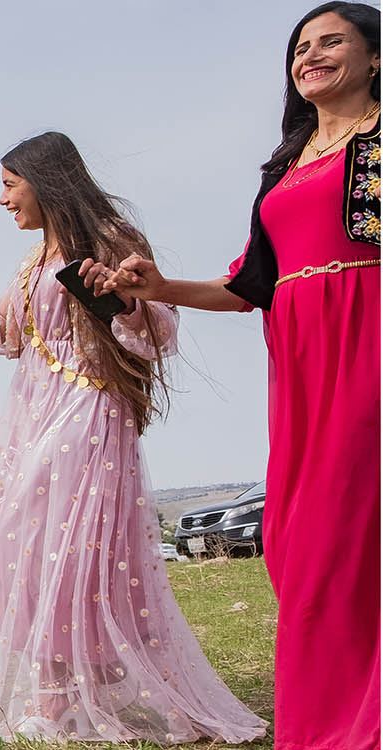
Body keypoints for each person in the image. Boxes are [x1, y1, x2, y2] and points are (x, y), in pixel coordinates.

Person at [0, 132, 265, 743]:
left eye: (10, 185)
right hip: (31, 410)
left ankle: (62, 695)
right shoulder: (33, 261)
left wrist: (122, 302)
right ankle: (65, 683)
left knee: (65, 549)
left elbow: (159, 329)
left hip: (90, 405)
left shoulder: (110, 241)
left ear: (46, 182)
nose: (3, 200)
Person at [96, 5, 380, 747]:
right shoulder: (285, 164)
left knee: (351, 527)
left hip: (368, 333)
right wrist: (161, 287)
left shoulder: (380, 141)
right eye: (300, 47)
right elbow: (251, 283)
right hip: (300, 353)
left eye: (332, 42)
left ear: (376, 58)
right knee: (298, 539)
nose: (310, 56)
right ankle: (324, 724)